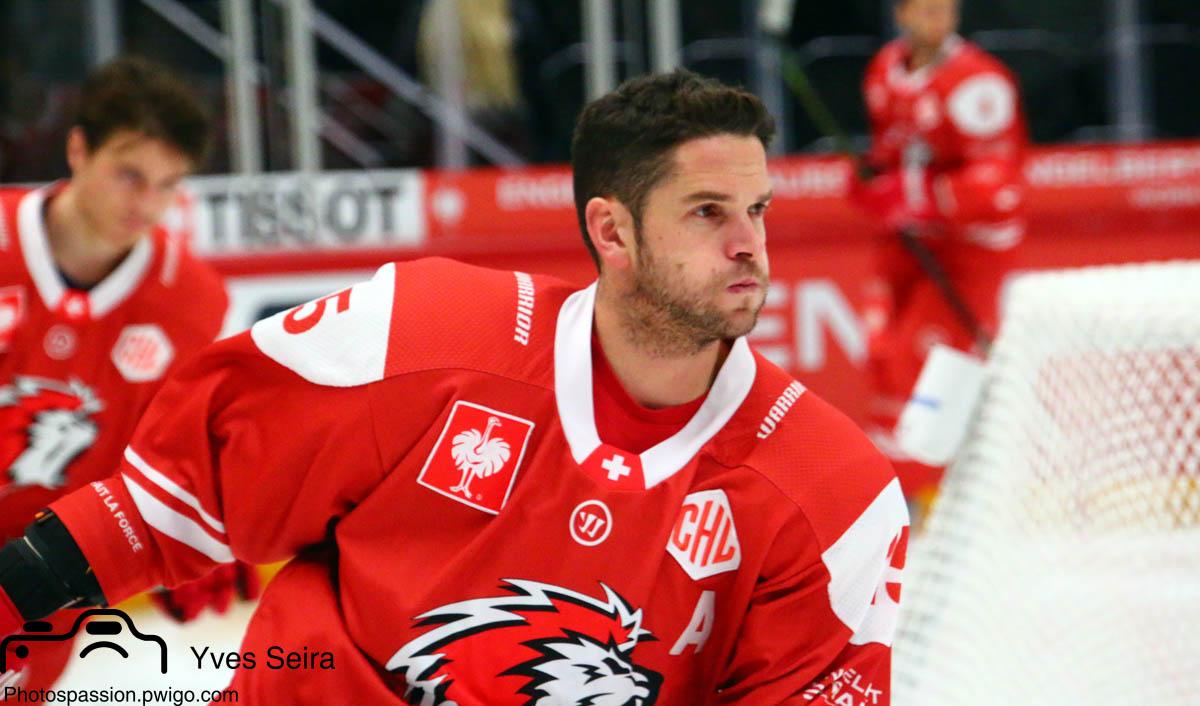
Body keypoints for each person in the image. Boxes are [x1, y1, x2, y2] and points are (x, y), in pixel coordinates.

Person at [0, 70, 908, 704]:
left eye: (758, 210)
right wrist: (18, 594)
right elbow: (171, 497)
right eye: (708, 212)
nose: (750, 244)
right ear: (613, 231)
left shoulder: (832, 498)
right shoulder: (426, 334)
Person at [0, 57, 255, 696]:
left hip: (49, 578)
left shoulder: (194, 302)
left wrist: (184, 531)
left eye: (168, 184)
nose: (147, 204)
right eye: (130, 175)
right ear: (77, 148)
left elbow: (182, 448)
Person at [854, 0, 1029, 507]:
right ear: (901, 13)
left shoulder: (979, 84)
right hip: (907, 241)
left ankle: (937, 494)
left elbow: (1000, 186)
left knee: (923, 359)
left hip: (966, 248)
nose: (938, 17)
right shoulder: (884, 70)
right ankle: (894, 490)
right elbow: (889, 153)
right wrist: (870, 180)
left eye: (946, 8)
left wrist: (915, 194)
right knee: (882, 352)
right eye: (926, 8)